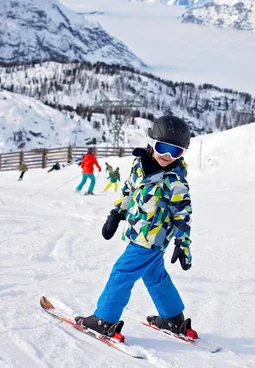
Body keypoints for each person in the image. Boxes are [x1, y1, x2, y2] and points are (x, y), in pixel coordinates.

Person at [75, 116, 196, 341]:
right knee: (155, 275)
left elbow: (183, 214)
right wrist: (116, 213)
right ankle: (173, 318)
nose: (167, 156)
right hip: (138, 232)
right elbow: (129, 191)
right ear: (152, 142)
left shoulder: (175, 181)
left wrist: (183, 242)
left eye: (175, 152)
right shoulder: (139, 165)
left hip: (150, 239)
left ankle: (104, 319)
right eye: (163, 148)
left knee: (122, 272)